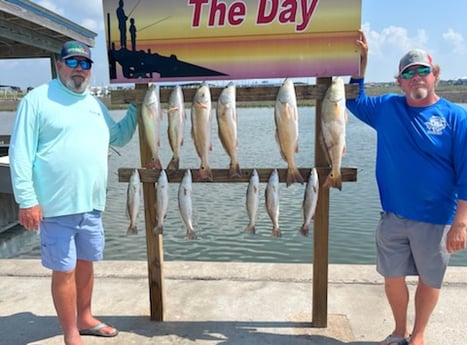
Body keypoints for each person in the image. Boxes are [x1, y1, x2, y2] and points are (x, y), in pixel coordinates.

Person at [9, 40, 138, 345]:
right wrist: (27, 200)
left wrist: (137, 107)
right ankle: (70, 333)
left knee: (86, 263)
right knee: (63, 270)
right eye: (73, 62)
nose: (79, 70)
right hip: (55, 207)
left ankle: (85, 316)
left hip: (91, 204)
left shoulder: (94, 104)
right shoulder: (37, 100)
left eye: (85, 64)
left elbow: (117, 137)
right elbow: (20, 154)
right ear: (59, 65)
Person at [346, 31, 467, 345]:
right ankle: (399, 330)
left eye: (422, 71)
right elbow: (353, 100)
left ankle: (419, 333)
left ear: (435, 74)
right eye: (408, 73)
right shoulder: (387, 108)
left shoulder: (456, 117)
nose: (416, 78)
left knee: (430, 279)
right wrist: (362, 62)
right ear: (399, 81)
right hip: (393, 216)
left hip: (437, 218)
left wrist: (461, 222)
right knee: (392, 277)